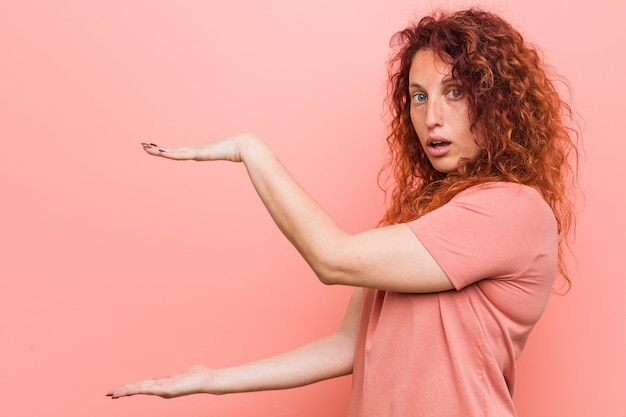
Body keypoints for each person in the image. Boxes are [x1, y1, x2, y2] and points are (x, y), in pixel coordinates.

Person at [106, 8, 578, 416]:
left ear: (497, 103)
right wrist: (212, 378)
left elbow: (333, 258)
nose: (431, 115)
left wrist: (248, 150)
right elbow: (348, 344)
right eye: (418, 95)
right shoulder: (423, 222)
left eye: (454, 91)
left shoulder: (512, 210)